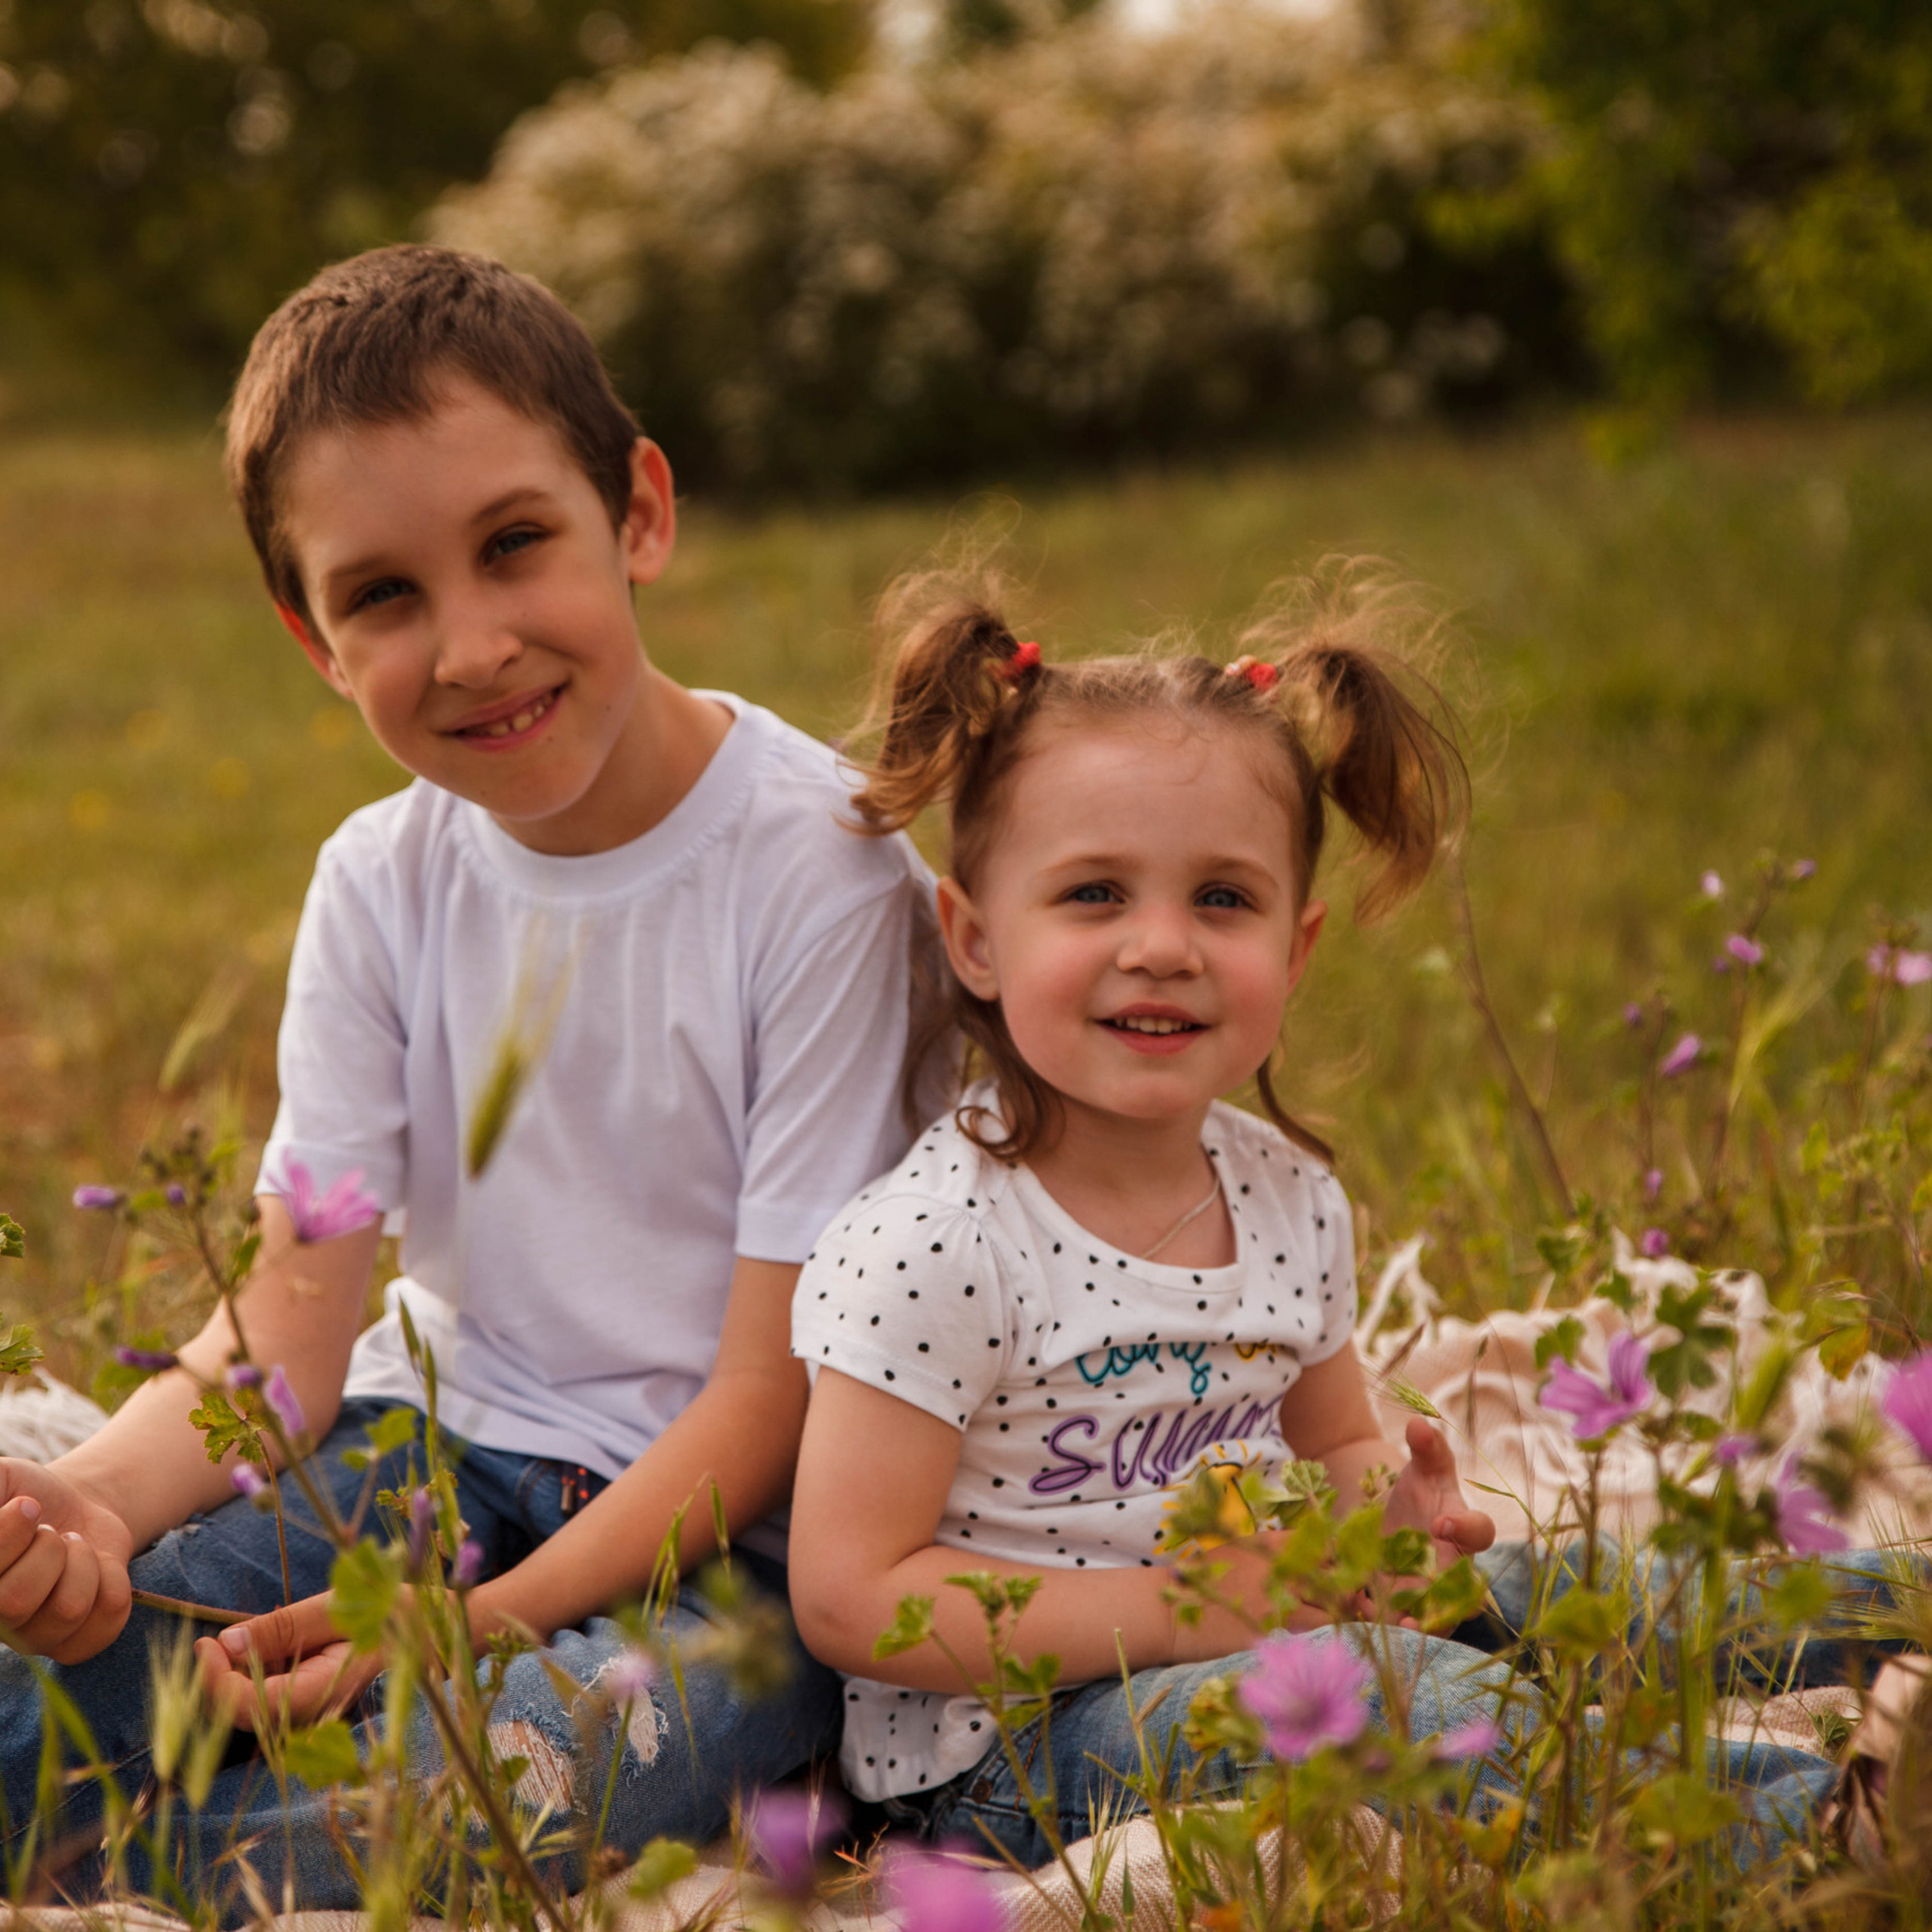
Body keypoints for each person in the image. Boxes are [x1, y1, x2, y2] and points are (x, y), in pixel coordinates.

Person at [0, 246, 934, 1910]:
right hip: (422, 1454)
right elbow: (289, 1324)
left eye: (515, 544)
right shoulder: (381, 880)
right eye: (384, 595)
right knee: (77, 1660)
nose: (473, 642)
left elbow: (765, 1397)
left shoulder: (821, 871)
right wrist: (92, 1499)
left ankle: (150, 1841)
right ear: (312, 637)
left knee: (464, 1803)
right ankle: (105, 1800)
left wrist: (461, 1632)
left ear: (635, 511)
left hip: (729, 1543)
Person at [783, 573, 1884, 1869]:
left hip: (1264, 1630)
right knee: (1378, 1690)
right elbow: (854, 1601)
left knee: (1580, 1588)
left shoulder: (1285, 1195)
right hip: (1015, 1745)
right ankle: (1814, 1826)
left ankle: (1897, 1609)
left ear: (1296, 951)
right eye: (1093, 895)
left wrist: (1397, 1538)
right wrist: (1193, 1618)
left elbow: (1339, 1439)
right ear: (973, 939)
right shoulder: (937, 1243)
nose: (1163, 946)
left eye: (1223, 900)